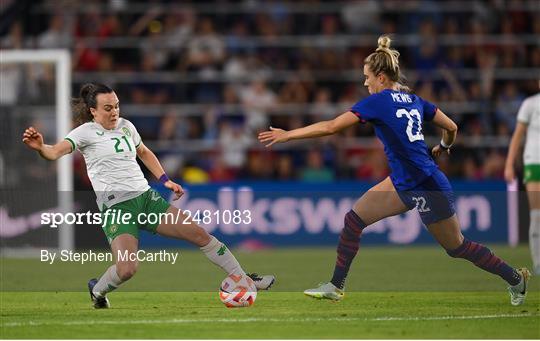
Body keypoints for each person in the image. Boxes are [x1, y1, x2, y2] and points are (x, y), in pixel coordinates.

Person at [258, 36, 530, 305]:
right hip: (404, 181)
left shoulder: (379, 102)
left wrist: (288, 135)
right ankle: (335, 285)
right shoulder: (414, 100)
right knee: (354, 220)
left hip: (425, 184)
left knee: (456, 247)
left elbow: (331, 127)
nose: (365, 83)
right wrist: (443, 148)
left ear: (381, 77)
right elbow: (452, 127)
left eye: (367, 77)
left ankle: (515, 278)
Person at [22, 83, 274, 309]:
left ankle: (243, 278)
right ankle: (97, 289)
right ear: (93, 111)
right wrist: (41, 148)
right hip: (117, 208)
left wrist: (166, 180)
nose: (114, 112)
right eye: (107, 108)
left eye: (117, 106)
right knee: (127, 269)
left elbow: (144, 152)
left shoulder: (126, 126)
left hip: (146, 199)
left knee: (200, 234)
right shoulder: (84, 133)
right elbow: (55, 152)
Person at [505, 85, 540, 275]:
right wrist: (509, 164)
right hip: (534, 162)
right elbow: (517, 136)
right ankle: (538, 263)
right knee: (537, 213)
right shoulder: (530, 104)